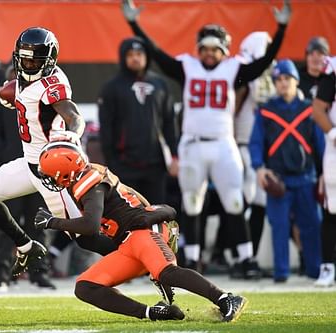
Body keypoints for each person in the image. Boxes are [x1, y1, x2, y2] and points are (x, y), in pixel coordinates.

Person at [122, 0, 291, 278]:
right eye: (206, 48)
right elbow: (157, 53)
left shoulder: (233, 69)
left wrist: (282, 28)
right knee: (191, 202)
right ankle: (192, 259)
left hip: (224, 143)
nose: (210, 53)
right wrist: (133, 23)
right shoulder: (187, 66)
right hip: (194, 144)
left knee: (234, 201)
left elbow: (262, 63)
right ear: (198, 49)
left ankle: (245, 258)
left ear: (223, 51)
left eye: (215, 49)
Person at [35, 141, 247, 322]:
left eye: (50, 174)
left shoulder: (89, 183)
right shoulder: (90, 176)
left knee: (167, 272)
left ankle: (226, 298)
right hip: (129, 241)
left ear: (64, 171)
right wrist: (155, 209)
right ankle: (153, 313)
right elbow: (131, 197)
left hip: (141, 232)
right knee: (85, 286)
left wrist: (53, 222)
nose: (49, 179)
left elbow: (90, 225)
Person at [0, 27, 117, 278]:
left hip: (52, 170)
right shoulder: (19, 73)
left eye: (33, 60)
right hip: (29, 163)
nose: (26, 64)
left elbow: (73, 116)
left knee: (85, 237)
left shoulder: (53, 85)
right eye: (23, 59)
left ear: (48, 62)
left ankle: (138, 256)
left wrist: (73, 134)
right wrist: (10, 89)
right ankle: (27, 247)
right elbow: (11, 78)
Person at [0, 64, 55, 290]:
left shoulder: (42, 102)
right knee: (6, 226)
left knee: (39, 223)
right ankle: (0, 275)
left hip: (39, 172)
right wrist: (4, 164)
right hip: (13, 174)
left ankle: (39, 273)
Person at [249, 60, 324, 282]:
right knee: (279, 227)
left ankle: (316, 271)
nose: (283, 83)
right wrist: (259, 168)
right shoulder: (266, 111)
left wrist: (323, 175)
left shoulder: (310, 109)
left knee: (312, 225)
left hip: (306, 178)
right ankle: (281, 273)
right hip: (277, 179)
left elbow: (320, 145)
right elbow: (256, 142)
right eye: (278, 80)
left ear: (296, 81)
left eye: (287, 79)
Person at [98, 36, 176, 204]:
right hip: (124, 165)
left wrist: (175, 155)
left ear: (146, 57)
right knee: (128, 215)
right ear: (123, 57)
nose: (135, 58)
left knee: (157, 214)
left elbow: (169, 122)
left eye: (140, 54)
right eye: (131, 54)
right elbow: (106, 128)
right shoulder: (111, 88)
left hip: (155, 165)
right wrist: (112, 164)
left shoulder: (160, 85)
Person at [234, 32, 277, 269]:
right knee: (244, 201)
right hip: (242, 144)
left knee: (259, 203)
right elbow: (235, 106)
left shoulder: (273, 74)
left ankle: (251, 256)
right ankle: (238, 255)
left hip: (264, 149)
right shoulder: (244, 72)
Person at [312, 56, 336, 287]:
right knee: (333, 209)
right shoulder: (333, 69)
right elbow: (318, 109)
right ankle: (328, 266)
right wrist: (333, 133)